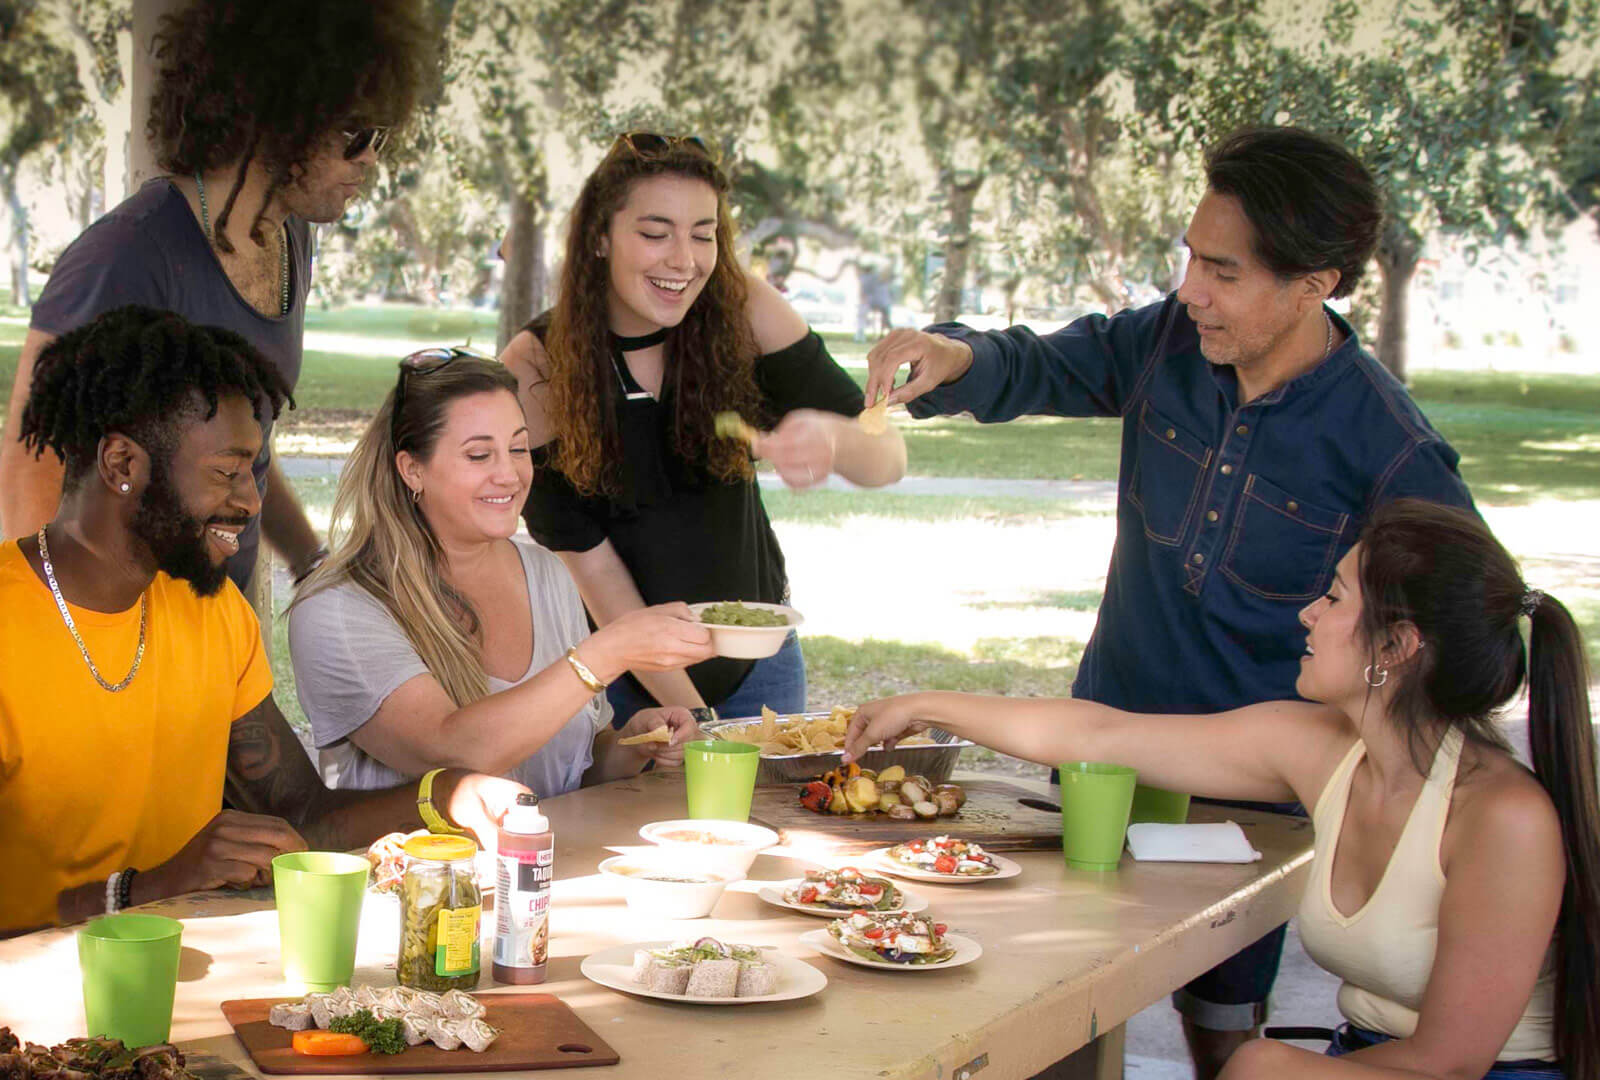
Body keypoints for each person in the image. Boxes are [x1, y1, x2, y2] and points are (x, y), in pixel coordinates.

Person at [863, 126, 1475, 1077]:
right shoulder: (1167, 344)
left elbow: (1468, 618)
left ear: (1315, 283)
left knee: (1223, 1016)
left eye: (1223, 272)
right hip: (1097, 748)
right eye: (1191, 257)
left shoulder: (1391, 450)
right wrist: (954, 358)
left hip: (1255, 795)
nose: (1192, 289)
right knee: (1053, 991)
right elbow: (1045, 361)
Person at [844, 500, 1599, 1080]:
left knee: (1256, 1064)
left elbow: (1449, 1064)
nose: (1308, 613)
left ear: (1395, 649)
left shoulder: (1502, 818)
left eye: (1334, 600)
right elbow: (1102, 736)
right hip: (1368, 1057)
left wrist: (1265, 1067)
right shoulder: (1318, 747)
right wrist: (928, 705)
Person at [0, 308, 527, 937]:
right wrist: (147, 888)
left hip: (183, 981)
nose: (250, 503)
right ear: (121, 464)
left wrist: (445, 796)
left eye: (253, 473)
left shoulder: (213, 612)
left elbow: (301, 816)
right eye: (226, 472)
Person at [0, 0, 435, 594]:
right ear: (275, 118)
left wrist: (312, 564)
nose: (370, 158)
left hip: (219, 611)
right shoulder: (129, 255)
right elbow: (30, 474)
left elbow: (246, 446)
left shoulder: (290, 238)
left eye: (378, 135)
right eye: (354, 135)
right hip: (124, 622)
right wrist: (68, 644)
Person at [500, 133, 906, 727]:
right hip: (623, 678)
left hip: (760, 663)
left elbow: (887, 460)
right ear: (599, 237)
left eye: (702, 233)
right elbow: (589, 562)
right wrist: (694, 715)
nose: (684, 260)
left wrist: (835, 438)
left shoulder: (746, 312)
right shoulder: (536, 364)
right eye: (655, 232)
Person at [287, 352, 717, 795]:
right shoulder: (338, 609)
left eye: (517, 449)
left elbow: (575, 769)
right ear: (412, 469)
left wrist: (634, 745)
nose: (510, 475)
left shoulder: (546, 574)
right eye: (479, 455)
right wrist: (608, 651)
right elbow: (450, 756)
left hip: (552, 861)